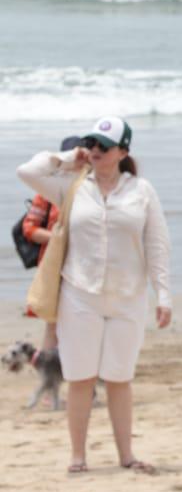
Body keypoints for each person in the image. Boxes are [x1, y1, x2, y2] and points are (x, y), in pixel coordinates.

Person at [17, 117, 172, 475]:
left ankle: (126, 456)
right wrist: (68, 157)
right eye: (92, 143)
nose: (96, 150)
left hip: (128, 297)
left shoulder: (142, 191)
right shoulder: (72, 186)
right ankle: (78, 457)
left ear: (123, 151)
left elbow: (157, 244)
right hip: (79, 294)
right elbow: (27, 171)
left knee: (119, 377)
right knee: (80, 377)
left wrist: (163, 294)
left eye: (104, 145)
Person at [20, 133, 82, 350]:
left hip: (84, 264)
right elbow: (29, 228)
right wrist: (58, 238)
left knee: (83, 319)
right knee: (53, 322)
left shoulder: (92, 188)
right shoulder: (47, 191)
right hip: (54, 265)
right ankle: (49, 367)